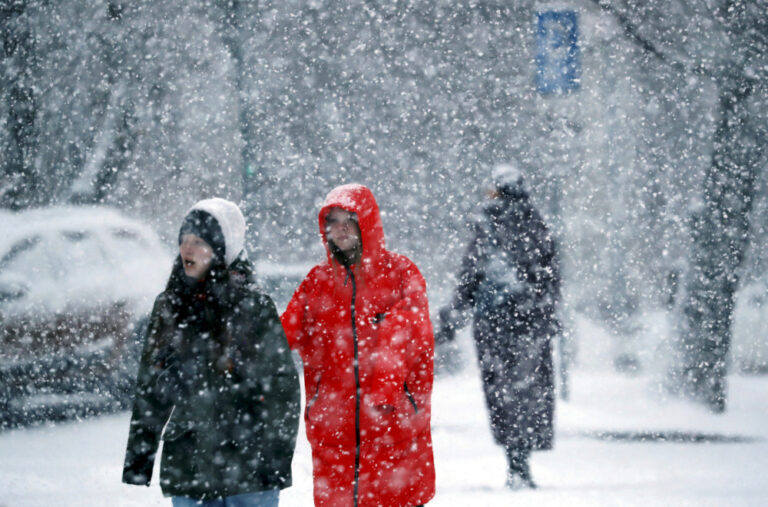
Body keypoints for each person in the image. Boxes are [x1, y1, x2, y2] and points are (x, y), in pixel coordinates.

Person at [122, 198, 301, 506]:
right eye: (184, 241)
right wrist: (139, 459)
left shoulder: (254, 306)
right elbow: (150, 389)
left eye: (198, 241)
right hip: (189, 463)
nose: (187, 250)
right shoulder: (169, 305)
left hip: (250, 467)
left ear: (221, 248)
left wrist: (274, 460)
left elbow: (282, 390)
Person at [281, 183, 435, 507]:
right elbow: (283, 333)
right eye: (332, 221)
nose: (340, 228)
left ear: (366, 221)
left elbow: (412, 333)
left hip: (392, 428)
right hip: (334, 432)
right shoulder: (318, 282)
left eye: (348, 219)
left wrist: (383, 391)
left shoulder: (401, 273)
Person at [436, 164, 560, 489]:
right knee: (529, 392)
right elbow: (551, 278)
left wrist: (451, 320)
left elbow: (470, 277)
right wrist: (546, 314)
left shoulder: (489, 227)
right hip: (531, 324)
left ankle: (515, 462)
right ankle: (522, 461)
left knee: (502, 394)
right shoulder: (538, 226)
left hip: (494, 325)